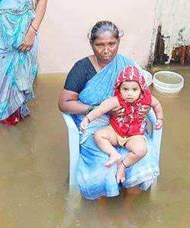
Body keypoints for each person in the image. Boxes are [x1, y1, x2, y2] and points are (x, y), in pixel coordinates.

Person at [58, 21, 161, 200]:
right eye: (100, 45)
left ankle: (128, 214)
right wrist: (95, 109)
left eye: (111, 44)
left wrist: (145, 117)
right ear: (92, 44)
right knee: (103, 167)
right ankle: (103, 217)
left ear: (118, 43)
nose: (106, 50)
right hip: (93, 126)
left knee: (142, 158)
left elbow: (145, 97)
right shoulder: (82, 68)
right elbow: (64, 103)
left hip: (128, 127)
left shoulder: (127, 66)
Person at [80, 65, 164, 184]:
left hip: (135, 135)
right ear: (119, 89)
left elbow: (157, 105)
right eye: (125, 89)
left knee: (141, 150)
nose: (129, 93)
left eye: (134, 89)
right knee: (98, 135)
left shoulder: (147, 99)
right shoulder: (116, 100)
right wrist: (87, 119)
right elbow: (100, 109)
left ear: (141, 89)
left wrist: (160, 118)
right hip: (115, 131)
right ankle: (113, 153)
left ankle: (123, 165)